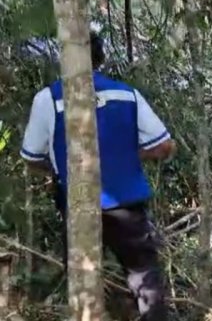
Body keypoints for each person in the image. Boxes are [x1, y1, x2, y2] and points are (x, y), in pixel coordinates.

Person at [19, 31, 175, 321]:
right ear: (99, 58)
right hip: (127, 203)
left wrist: (61, 168)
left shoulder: (48, 99)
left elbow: (31, 157)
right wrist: (127, 155)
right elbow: (164, 145)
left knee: (84, 285)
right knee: (144, 276)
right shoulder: (126, 94)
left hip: (78, 202)